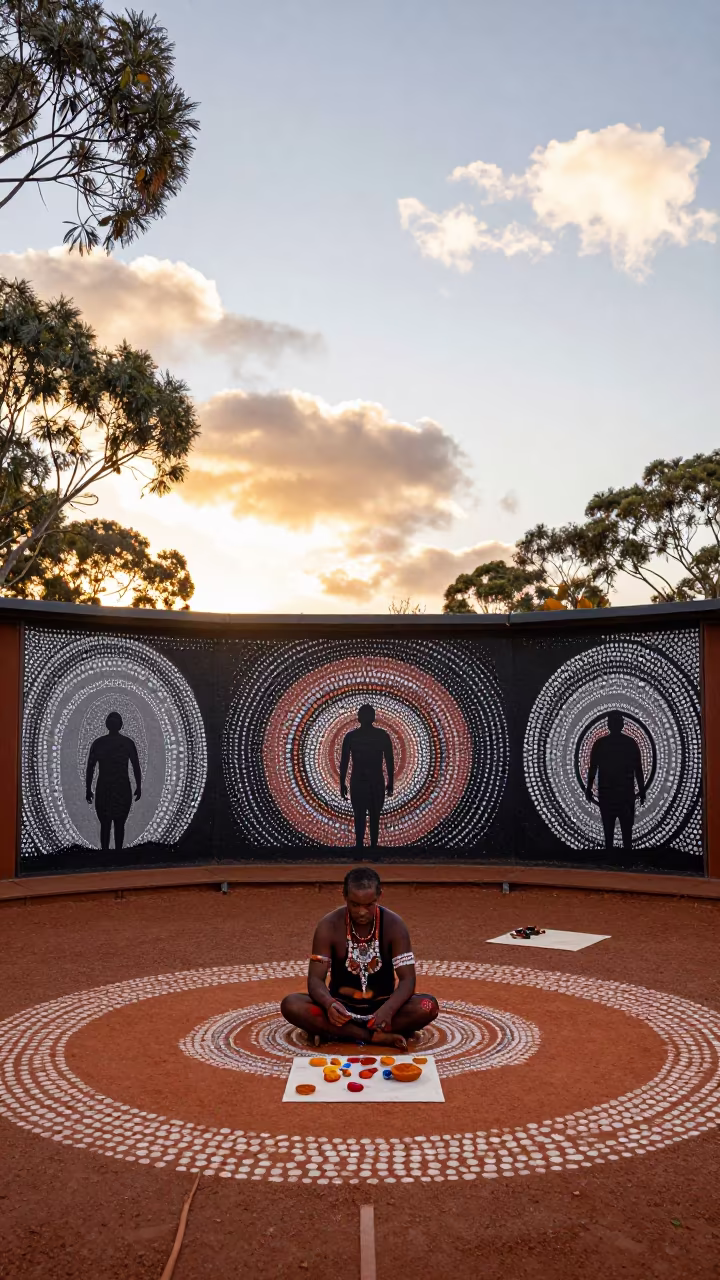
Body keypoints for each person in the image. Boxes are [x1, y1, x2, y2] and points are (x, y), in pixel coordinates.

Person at [280, 866, 439, 1050]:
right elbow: (316, 979)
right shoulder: (328, 926)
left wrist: (388, 1010)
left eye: (369, 905)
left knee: (427, 1006)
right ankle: (373, 1037)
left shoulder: (395, 926)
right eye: (355, 905)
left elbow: (408, 979)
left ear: (379, 895)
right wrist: (329, 1004)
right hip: (340, 1012)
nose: (362, 912)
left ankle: (337, 1033)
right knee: (291, 1005)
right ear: (344, 896)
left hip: (383, 1010)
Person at [585, 711, 646, 851]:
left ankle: (610, 856)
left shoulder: (600, 744)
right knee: (626, 829)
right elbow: (638, 769)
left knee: (608, 827)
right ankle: (626, 857)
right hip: (625, 793)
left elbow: (593, 768)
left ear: (608, 725)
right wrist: (642, 791)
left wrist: (588, 788)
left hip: (608, 792)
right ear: (622, 725)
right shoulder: (630, 743)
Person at [85, 711, 142, 852]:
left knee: (110, 823)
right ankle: (115, 853)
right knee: (116, 823)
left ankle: (110, 853)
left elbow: (90, 767)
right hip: (116, 786)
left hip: (110, 786)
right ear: (121, 725)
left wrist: (88, 788)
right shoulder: (127, 743)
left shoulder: (99, 743)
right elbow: (135, 765)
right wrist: (138, 786)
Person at [339, 704, 394, 849]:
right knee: (371, 817)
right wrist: (391, 782)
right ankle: (370, 848)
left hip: (362, 781)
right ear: (373, 718)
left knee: (362, 817)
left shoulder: (351, 737)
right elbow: (389, 760)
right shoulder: (381, 736)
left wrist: (342, 782)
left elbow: (345, 761)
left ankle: (362, 849)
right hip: (371, 781)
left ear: (359, 718)